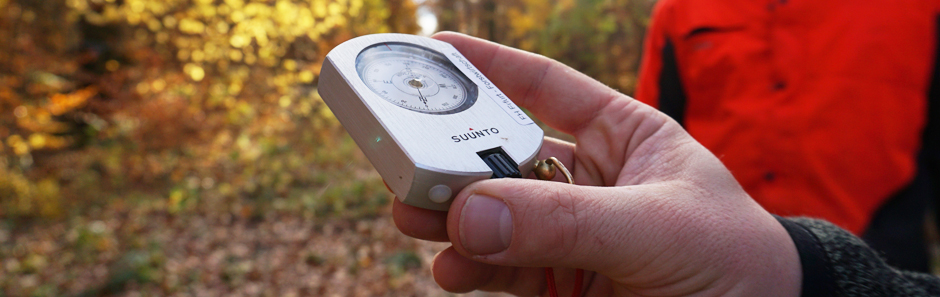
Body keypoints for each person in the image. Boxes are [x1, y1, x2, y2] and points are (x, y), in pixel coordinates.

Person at [391, 32, 940, 296]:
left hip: (884, 254)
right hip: (661, 260)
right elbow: (653, 138)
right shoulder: (682, 10)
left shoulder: (919, 10)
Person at [633, 0, 940, 272]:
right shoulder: (682, 9)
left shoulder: (921, 8)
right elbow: (649, 154)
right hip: (716, 266)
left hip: (882, 267)